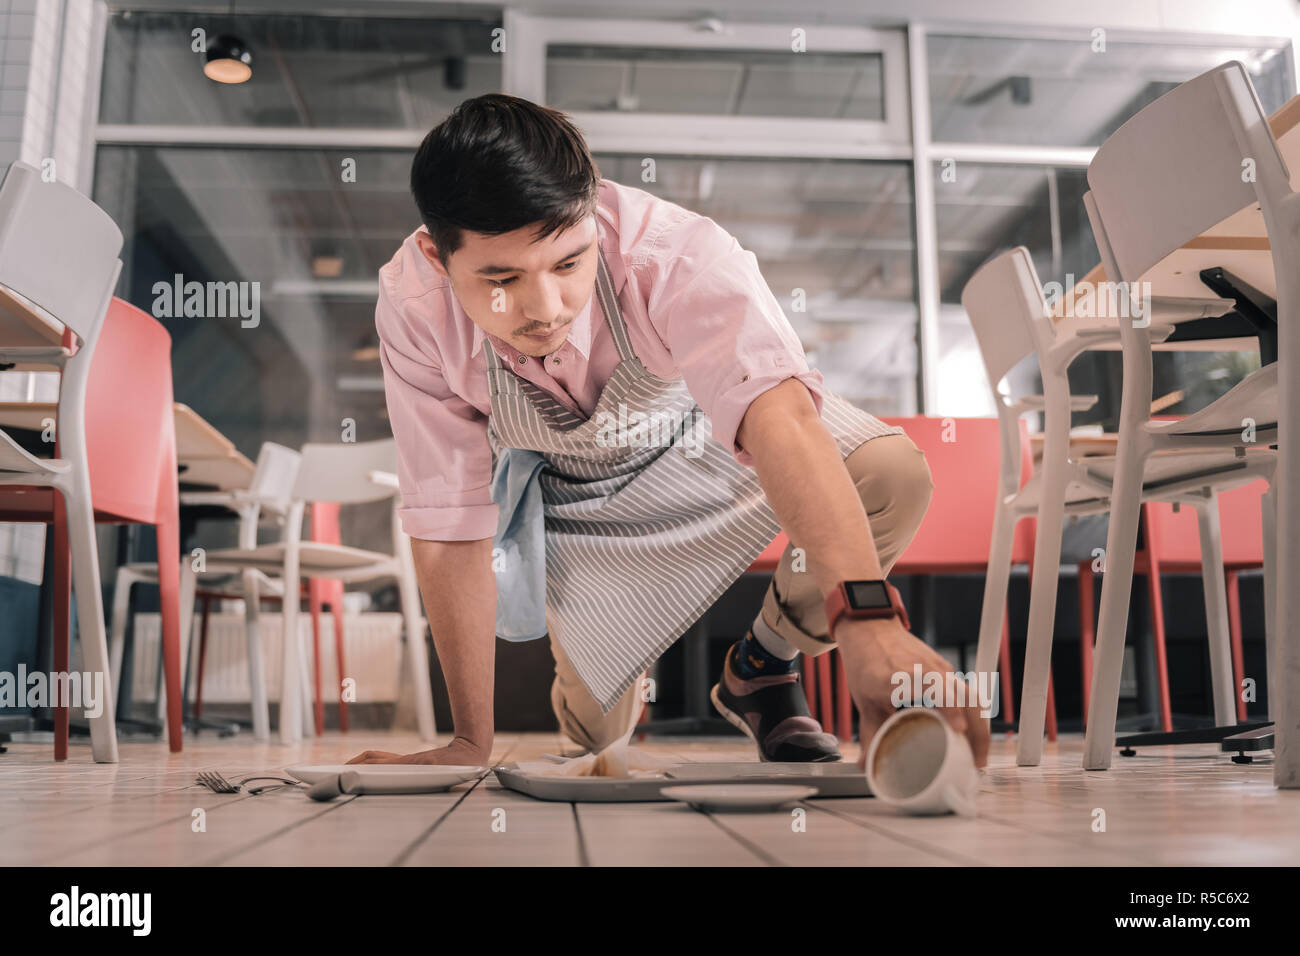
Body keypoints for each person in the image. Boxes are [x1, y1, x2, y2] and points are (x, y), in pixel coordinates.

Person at [348, 93, 989, 770]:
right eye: (501, 278)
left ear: (592, 215)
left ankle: (761, 666)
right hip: (578, 502)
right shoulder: (414, 307)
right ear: (437, 256)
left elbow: (776, 412)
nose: (544, 309)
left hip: (703, 443)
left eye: (569, 264)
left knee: (889, 474)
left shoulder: (673, 250)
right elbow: (449, 518)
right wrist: (468, 744)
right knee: (598, 743)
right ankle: (598, 690)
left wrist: (868, 622)